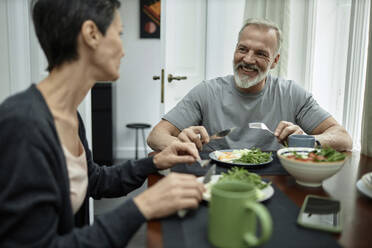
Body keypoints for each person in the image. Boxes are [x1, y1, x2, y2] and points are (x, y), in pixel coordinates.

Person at [0, 0, 205, 247]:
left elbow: (94, 181)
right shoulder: (23, 124)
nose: (123, 49)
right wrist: (144, 205)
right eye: (119, 34)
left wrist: (154, 162)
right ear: (91, 34)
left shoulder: (70, 115)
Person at [147, 18, 352, 152]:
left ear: (275, 61)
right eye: (242, 49)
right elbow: (156, 136)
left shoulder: (292, 94)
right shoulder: (206, 92)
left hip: (276, 181)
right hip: (215, 180)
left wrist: (307, 141)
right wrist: (181, 145)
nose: (248, 59)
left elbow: (343, 138)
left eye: (261, 53)